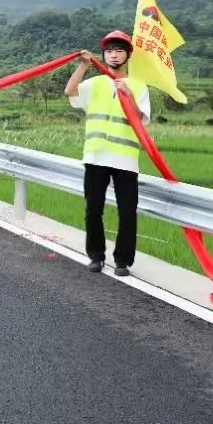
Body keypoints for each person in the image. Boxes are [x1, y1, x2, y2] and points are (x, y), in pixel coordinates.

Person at [64, 30, 151, 277]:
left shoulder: (138, 86)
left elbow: (141, 120)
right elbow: (70, 92)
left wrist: (130, 96)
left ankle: (123, 261)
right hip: (95, 157)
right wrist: (83, 65)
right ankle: (96, 256)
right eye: (109, 51)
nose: (114, 55)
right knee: (93, 210)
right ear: (104, 55)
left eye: (119, 51)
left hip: (125, 160)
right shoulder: (95, 83)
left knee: (127, 212)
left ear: (128, 55)